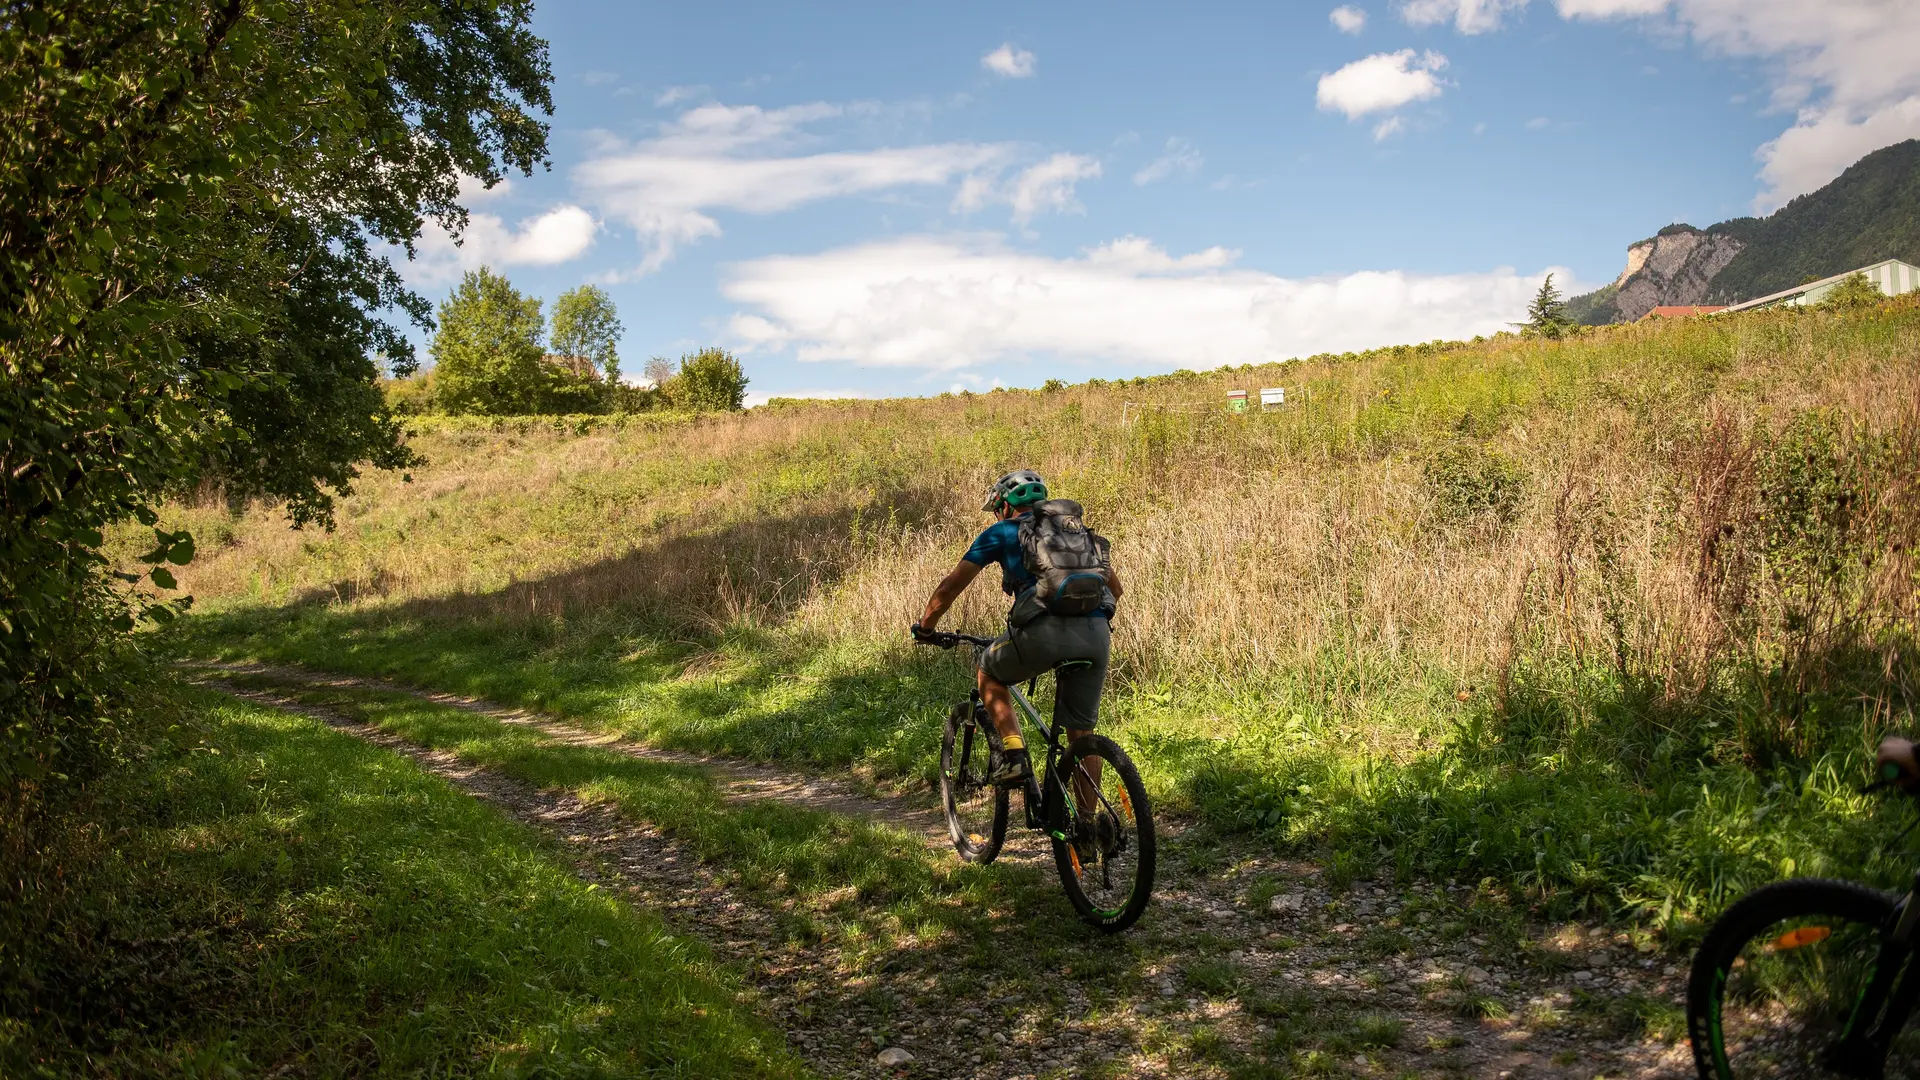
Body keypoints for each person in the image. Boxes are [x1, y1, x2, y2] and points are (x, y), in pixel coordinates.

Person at [912, 470, 1124, 855]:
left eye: (997, 510)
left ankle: (1014, 755)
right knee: (1081, 738)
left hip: (1042, 631)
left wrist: (926, 627)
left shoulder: (1003, 533)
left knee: (989, 673)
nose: (997, 516)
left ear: (1005, 505)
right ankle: (1087, 830)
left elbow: (952, 584)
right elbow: (1117, 589)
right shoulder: (1074, 532)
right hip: (1096, 634)